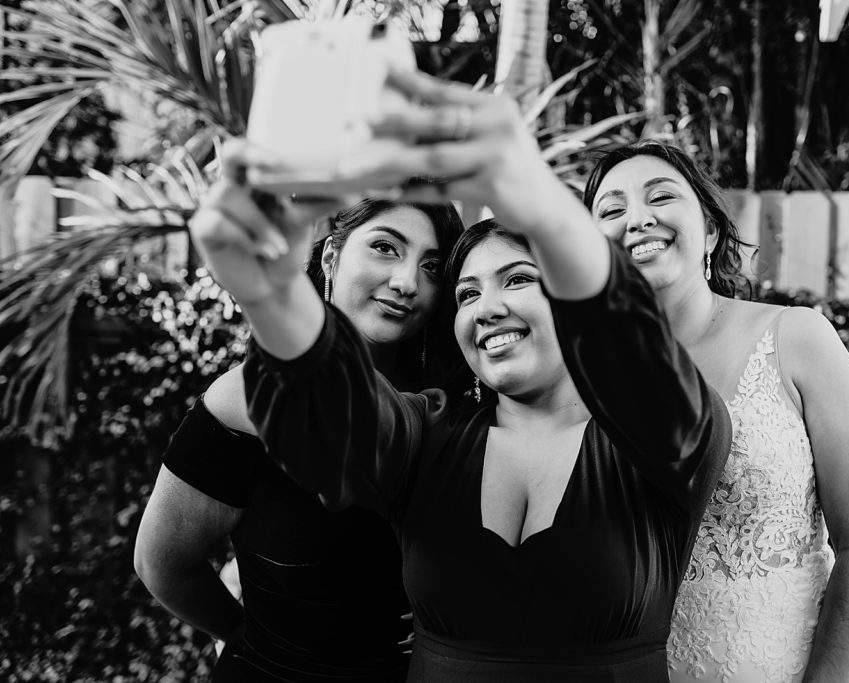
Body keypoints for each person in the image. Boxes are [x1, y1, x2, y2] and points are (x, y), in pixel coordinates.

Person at [187, 68, 732, 682]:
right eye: (467, 295)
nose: (487, 308)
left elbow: (640, 361)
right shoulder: (429, 432)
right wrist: (275, 291)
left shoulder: (657, 438)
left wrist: (525, 188)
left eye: (519, 280)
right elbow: (345, 416)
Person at [583, 141, 849, 683]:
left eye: (659, 196)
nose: (636, 219)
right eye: (611, 211)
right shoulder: (580, 372)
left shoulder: (797, 339)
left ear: (709, 231)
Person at [134, 176, 465, 682]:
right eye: (385, 248)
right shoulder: (247, 397)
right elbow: (164, 564)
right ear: (331, 257)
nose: (406, 282)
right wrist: (251, 640)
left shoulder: (454, 403)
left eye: (432, 267)